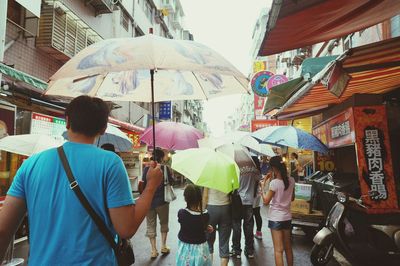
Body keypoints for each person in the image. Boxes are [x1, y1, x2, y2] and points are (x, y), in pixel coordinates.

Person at [0, 95, 163, 265]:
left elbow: (3, 230)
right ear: (103, 128)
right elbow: (126, 228)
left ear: (67, 121)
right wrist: (151, 186)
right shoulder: (110, 163)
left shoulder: (31, 164)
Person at [261, 155, 295, 266]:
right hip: (287, 217)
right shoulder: (291, 180)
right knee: (288, 248)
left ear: (274, 168)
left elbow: (266, 201)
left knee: (278, 250)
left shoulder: (274, 183)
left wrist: (262, 186)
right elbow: (293, 198)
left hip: (276, 218)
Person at [141, 148, 174, 259]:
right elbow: (172, 182)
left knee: (150, 225)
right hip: (162, 201)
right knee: (164, 223)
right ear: (161, 157)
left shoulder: (146, 169)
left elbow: (143, 184)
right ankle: (163, 246)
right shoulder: (165, 168)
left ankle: (153, 250)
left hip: (149, 201)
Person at [230, 155, 260, 259]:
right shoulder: (253, 168)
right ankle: (250, 250)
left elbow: (232, 184)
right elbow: (257, 181)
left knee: (236, 225)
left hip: (237, 200)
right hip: (249, 201)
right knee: (248, 225)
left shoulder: (236, 166)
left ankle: (236, 250)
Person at [176, 184, 213, 266]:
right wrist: (206, 227)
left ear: (186, 198)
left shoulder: (182, 213)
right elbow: (200, 226)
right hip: (201, 250)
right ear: (200, 198)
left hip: (185, 249)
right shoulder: (205, 215)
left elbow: (188, 223)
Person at [203, 187, 231, 266]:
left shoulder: (208, 174)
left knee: (209, 241)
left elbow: (205, 196)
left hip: (211, 208)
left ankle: (208, 263)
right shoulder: (227, 174)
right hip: (226, 207)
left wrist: (202, 211)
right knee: (224, 242)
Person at [251, 156, 263, 240]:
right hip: (257, 195)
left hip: (252, 195)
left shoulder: (251, 171)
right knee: (257, 214)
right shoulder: (258, 171)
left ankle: (250, 233)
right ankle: (259, 232)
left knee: (250, 215)